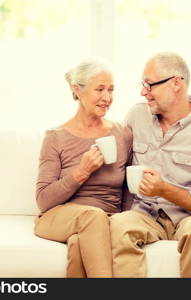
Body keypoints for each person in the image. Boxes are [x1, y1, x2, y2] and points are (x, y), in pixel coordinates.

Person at [110, 52, 191, 277]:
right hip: (146, 214)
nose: (143, 92)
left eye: (149, 84)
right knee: (116, 226)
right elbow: (118, 165)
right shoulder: (137, 116)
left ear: (176, 83)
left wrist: (164, 189)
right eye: (142, 84)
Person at [34, 57, 132, 278]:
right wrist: (82, 171)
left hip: (102, 220)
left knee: (79, 244)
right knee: (92, 217)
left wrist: (123, 220)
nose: (107, 98)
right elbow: (43, 200)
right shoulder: (55, 137)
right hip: (59, 216)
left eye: (111, 90)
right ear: (77, 90)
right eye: (100, 89)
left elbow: (128, 188)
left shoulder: (122, 133)